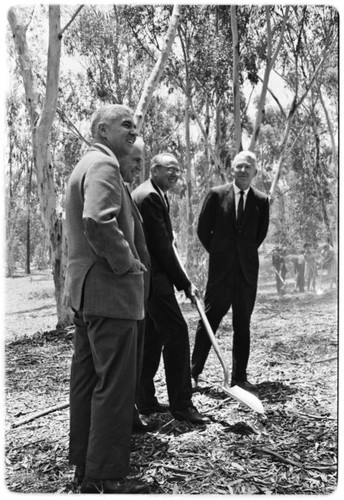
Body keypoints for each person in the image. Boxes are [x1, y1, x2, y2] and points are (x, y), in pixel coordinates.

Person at [64, 104, 150, 494]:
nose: (133, 131)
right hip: (109, 295)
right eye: (125, 125)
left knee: (86, 381)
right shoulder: (105, 165)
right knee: (114, 386)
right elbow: (98, 221)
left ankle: (85, 465)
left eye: (135, 125)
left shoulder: (86, 164)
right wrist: (126, 262)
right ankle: (106, 477)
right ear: (102, 130)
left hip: (87, 295)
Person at [132, 153, 210, 425]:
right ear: (154, 170)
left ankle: (144, 398)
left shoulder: (155, 193)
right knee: (177, 334)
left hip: (152, 280)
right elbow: (161, 248)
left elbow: (167, 245)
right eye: (170, 169)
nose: (175, 174)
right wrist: (185, 284)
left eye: (178, 169)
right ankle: (182, 404)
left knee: (154, 337)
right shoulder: (149, 196)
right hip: (153, 280)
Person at [191, 150, 270, 393]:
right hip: (220, 274)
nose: (243, 170)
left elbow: (259, 235)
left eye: (248, 167)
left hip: (246, 275)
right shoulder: (216, 195)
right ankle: (193, 373)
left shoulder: (262, 200)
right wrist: (221, 254)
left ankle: (239, 377)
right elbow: (203, 231)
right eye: (239, 166)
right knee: (209, 321)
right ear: (231, 170)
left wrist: (241, 257)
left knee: (242, 324)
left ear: (255, 171)